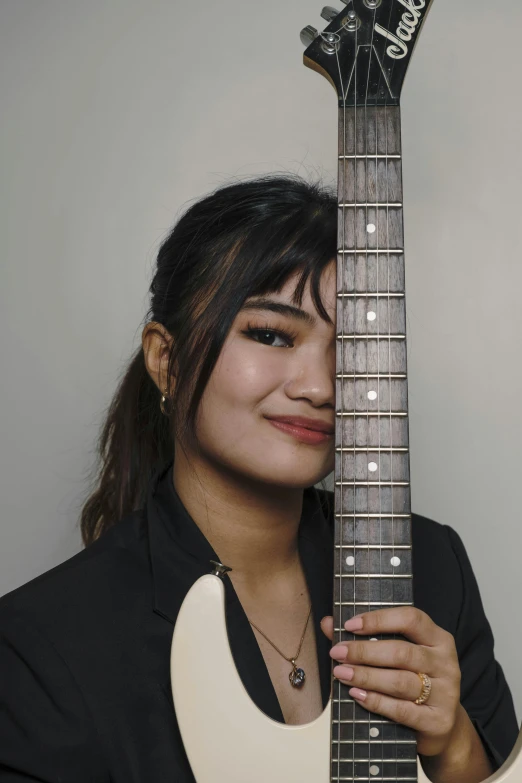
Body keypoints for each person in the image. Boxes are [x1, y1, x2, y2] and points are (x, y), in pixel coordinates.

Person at [0, 174, 518, 783]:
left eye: (350, 347)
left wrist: (454, 745)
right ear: (165, 359)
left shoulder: (432, 565)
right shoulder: (39, 646)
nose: (321, 387)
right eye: (271, 334)